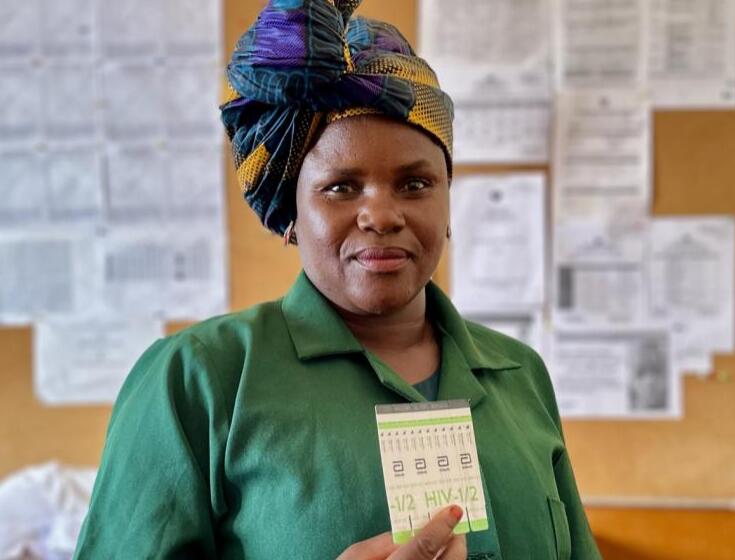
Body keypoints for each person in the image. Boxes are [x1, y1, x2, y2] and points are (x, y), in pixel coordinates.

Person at [74, 1, 600, 558]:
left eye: (416, 183)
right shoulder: (201, 378)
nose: (382, 215)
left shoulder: (519, 376)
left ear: (448, 199)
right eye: (341, 188)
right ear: (290, 216)